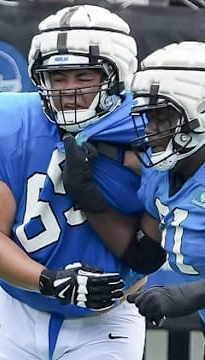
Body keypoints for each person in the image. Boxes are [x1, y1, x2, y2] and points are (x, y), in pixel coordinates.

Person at [0, 5, 158, 360]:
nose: (69, 90)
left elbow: (149, 247)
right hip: (17, 305)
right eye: (58, 77)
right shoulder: (13, 123)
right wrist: (50, 281)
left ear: (118, 75)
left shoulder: (147, 130)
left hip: (107, 315)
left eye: (84, 76)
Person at [63, 41, 205, 330]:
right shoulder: (161, 173)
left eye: (163, 117)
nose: (150, 130)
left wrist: (189, 295)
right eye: (150, 117)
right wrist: (87, 196)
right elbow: (143, 255)